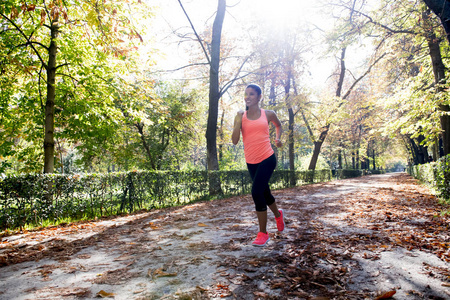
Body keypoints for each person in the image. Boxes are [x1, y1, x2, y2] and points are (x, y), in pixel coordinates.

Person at [232, 84, 284, 247]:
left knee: (256, 192)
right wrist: (237, 123)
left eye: (251, 94)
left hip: (268, 157)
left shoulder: (268, 114)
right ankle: (278, 214)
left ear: (259, 97)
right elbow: (234, 141)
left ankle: (263, 233)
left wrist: (278, 138)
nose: (247, 97)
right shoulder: (241, 115)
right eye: (246, 94)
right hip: (251, 161)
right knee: (265, 192)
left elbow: (278, 125)